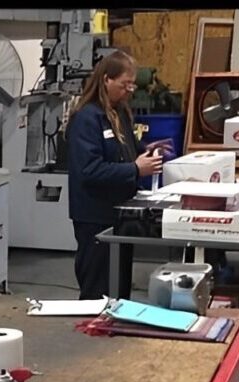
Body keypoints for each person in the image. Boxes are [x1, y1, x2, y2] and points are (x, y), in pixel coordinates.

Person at [67, 50, 172, 300]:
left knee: (119, 285)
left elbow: (127, 149)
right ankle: (90, 333)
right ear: (106, 80)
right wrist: (136, 169)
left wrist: (147, 149)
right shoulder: (87, 119)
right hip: (95, 217)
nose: (129, 91)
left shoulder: (120, 112)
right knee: (97, 286)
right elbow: (89, 170)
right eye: (125, 84)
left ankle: (114, 333)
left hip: (121, 214)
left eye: (132, 85)